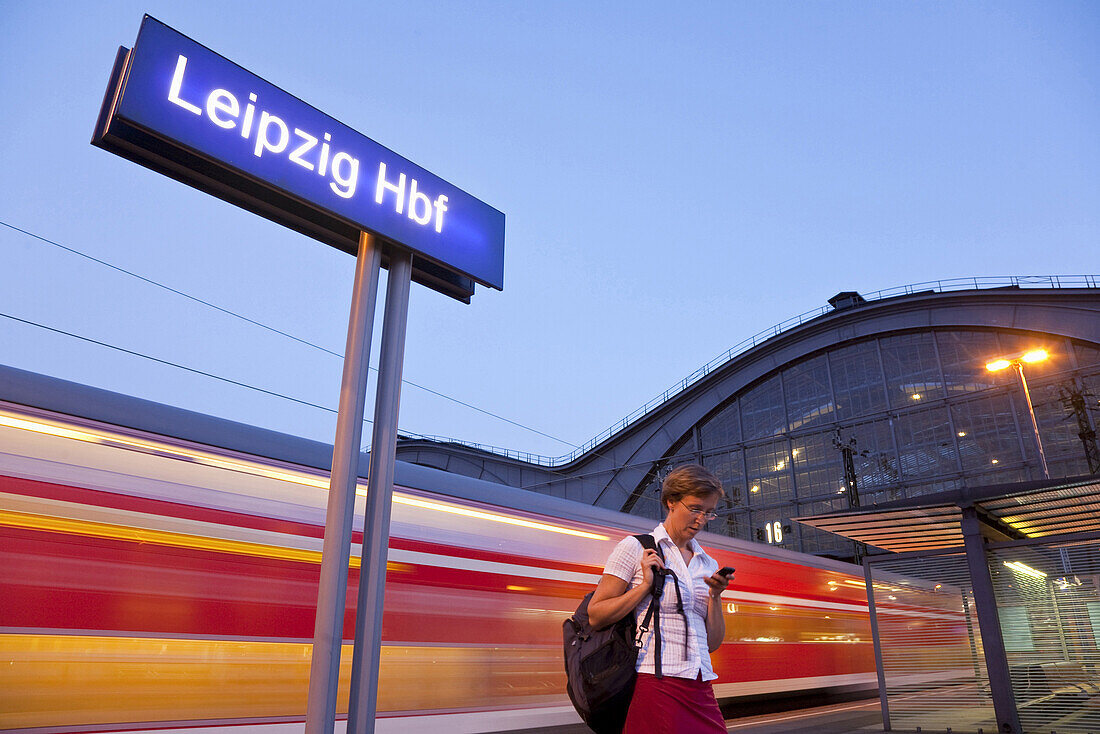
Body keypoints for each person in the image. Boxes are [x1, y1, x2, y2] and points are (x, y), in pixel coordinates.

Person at [587, 464, 732, 733]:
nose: (701, 520)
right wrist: (644, 586)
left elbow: (712, 643)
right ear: (671, 502)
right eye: (695, 508)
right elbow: (596, 614)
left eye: (709, 513)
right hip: (655, 680)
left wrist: (715, 595)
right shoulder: (636, 547)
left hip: (699, 682)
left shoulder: (707, 563)